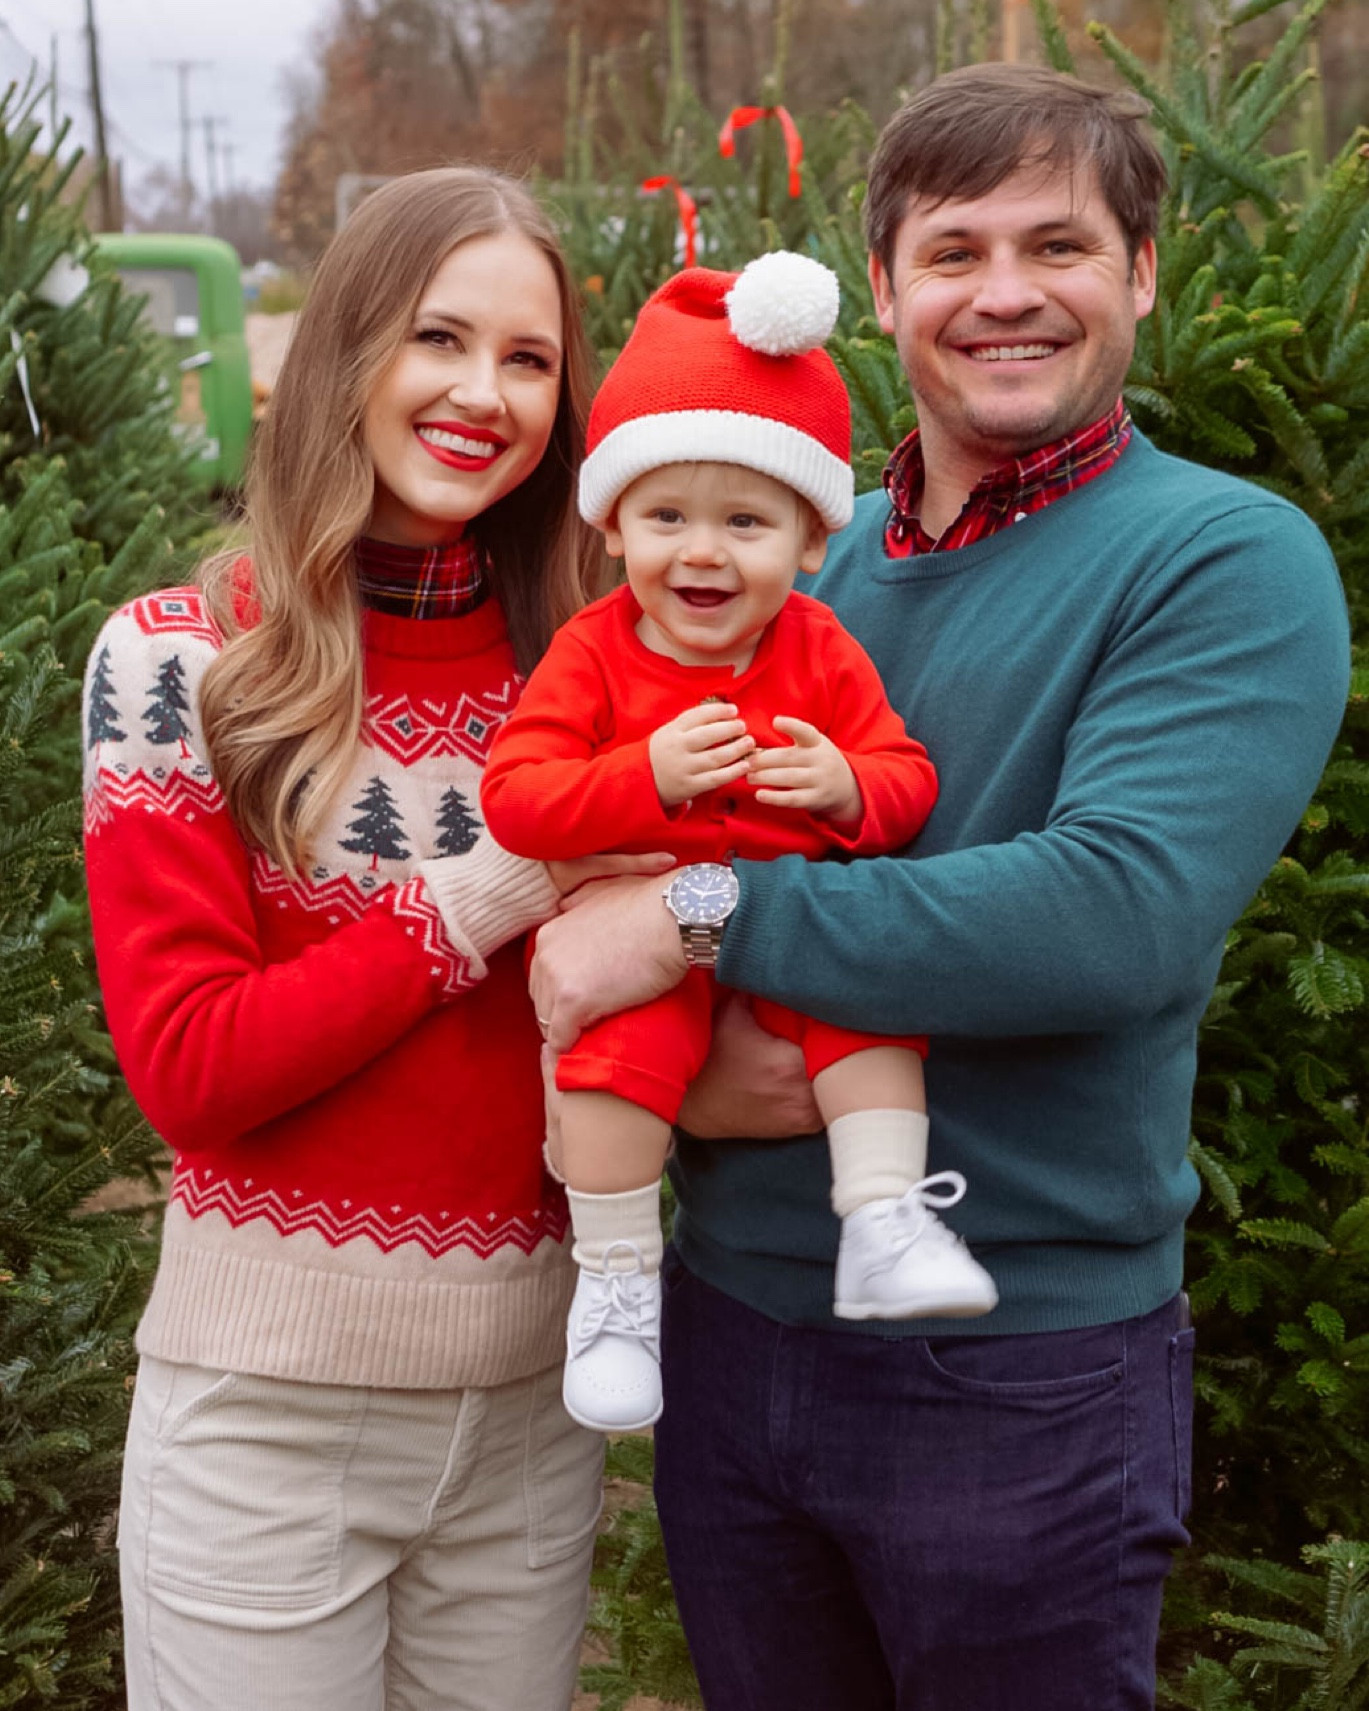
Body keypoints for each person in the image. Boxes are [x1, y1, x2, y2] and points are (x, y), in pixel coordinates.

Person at [527, 64, 1351, 1710]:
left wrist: (696, 918)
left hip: (1014, 1367)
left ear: (1135, 275)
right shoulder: (788, 573)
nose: (1001, 294)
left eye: (1053, 246)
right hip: (727, 1330)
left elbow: (1105, 910)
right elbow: (583, 855)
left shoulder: (1216, 560)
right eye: (952, 249)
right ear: (884, 289)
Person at [82, 167, 668, 1711]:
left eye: (529, 359)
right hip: (267, 1418)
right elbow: (194, 1068)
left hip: (534, 1422)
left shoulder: (589, 665)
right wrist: (496, 883)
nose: (484, 393)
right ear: (346, 349)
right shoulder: (182, 658)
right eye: (436, 339)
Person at [482, 253, 997, 1435]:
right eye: (666, 516)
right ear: (613, 526)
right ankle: (614, 1285)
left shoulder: (818, 649)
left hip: (783, 921)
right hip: (636, 936)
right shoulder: (595, 653)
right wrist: (640, 781)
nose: (702, 552)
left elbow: (905, 779)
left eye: (746, 522)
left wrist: (842, 785)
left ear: (811, 544)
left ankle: (880, 1216)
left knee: (867, 1014)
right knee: (614, 1052)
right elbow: (517, 797)